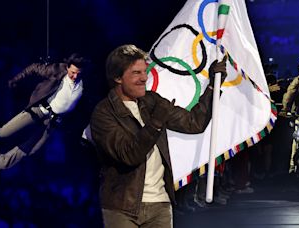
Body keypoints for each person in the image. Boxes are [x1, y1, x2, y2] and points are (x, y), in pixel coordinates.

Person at [89, 44, 227, 228]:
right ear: (117, 77)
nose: (144, 78)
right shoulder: (103, 113)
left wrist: (212, 86)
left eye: (144, 72)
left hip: (160, 205)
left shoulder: (151, 101)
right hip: (121, 208)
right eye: (136, 73)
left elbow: (194, 123)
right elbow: (129, 155)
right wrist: (155, 123)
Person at [0, 53, 89, 179]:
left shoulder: (83, 84)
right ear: (67, 67)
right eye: (73, 72)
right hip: (39, 110)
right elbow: (34, 67)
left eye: (79, 73)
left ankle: (0, 161)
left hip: (52, 121)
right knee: (3, 133)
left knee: (33, 149)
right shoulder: (57, 71)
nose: (75, 76)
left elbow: (76, 108)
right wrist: (16, 79)